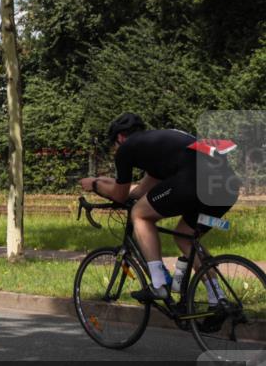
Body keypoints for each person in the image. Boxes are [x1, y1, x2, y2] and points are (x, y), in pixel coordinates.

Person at [79, 114, 240, 309]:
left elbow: (120, 196)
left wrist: (94, 185)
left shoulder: (126, 149)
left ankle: (158, 284)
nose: (115, 149)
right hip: (226, 185)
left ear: (120, 137)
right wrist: (103, 182)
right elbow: (137, 191)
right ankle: (218, 300)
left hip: (193, 179)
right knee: (185, 236)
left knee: (139, 214)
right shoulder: (159, 144)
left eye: (114, 144)